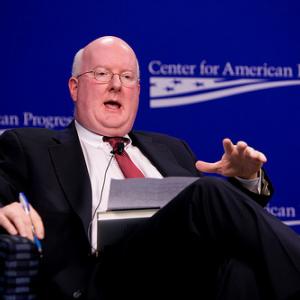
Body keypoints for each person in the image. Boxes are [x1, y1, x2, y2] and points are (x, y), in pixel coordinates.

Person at [0, 36, 299, 300]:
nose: (117, 84)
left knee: (241, 269)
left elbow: (217, 221)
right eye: (102, 74)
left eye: (128, 77)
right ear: (75, 88)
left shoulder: (172, 148)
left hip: (189, 279)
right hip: (102, 281)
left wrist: (246, 180)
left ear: (138, 92)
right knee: (205, 192)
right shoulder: (29, 146)